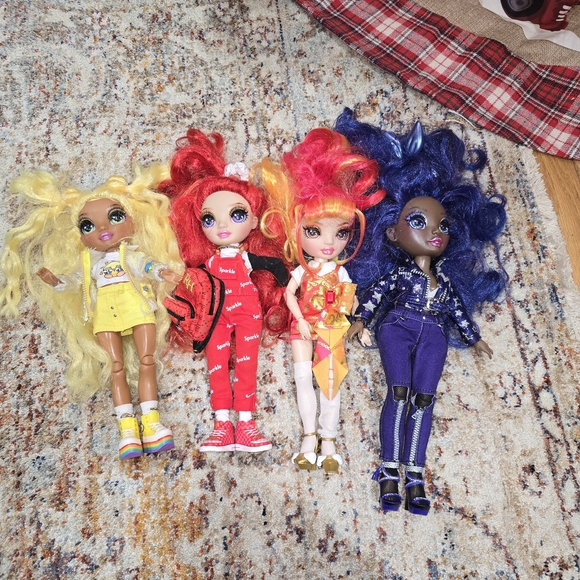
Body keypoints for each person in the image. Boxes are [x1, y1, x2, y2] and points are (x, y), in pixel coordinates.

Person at [336, 109, 507, 513]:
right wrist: (360, 319)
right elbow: (378, 293)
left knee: (423, 399)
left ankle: (414, 474)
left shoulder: (444, 283)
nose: (433, 232)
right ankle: (388, 470)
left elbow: (458, 312)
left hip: (433, 334)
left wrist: (474, 338)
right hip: (397, 326)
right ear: (392, 232)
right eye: (418, 221)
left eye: (441, 226)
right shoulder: (398, 274)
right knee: (399, 392)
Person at [0, 167, 183, 459]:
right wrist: (56, 281)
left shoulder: (130, 254)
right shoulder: (90, 263)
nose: (103, 229)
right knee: (116, 367)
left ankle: (152, 422)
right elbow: (74, 282)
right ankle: (127, 428)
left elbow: (146, 265)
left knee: (147, 360)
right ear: (80, 235)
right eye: (88, 225)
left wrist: (161, 271)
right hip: (106, 314)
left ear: (132, 220)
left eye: (115, 217)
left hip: (137, 306)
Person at [258, 128, 385, 473]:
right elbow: (288, 293)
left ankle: (328, 440)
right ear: (294, 227)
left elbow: (351, 298)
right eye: (314, 231)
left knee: (329, 382)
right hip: (302, 328)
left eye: (341, 232)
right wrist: (299, 319)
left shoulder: (340, 272)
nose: (329, 244)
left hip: (331, 328)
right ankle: (308, 437)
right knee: (303, 379)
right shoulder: (303, 270)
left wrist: (360, 325)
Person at [159, 129, 288, 453]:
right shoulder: (207, 264)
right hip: (214, 314)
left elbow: (276, 267)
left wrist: (290, 287)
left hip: (248, 312)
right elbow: (190, 285)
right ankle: (221, 425)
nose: (222, 225)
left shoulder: (247, 258)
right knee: (216, 364)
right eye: (209, 219)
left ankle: (245, 424)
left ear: (254, 220)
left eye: (237, 214)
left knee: (247, 363)